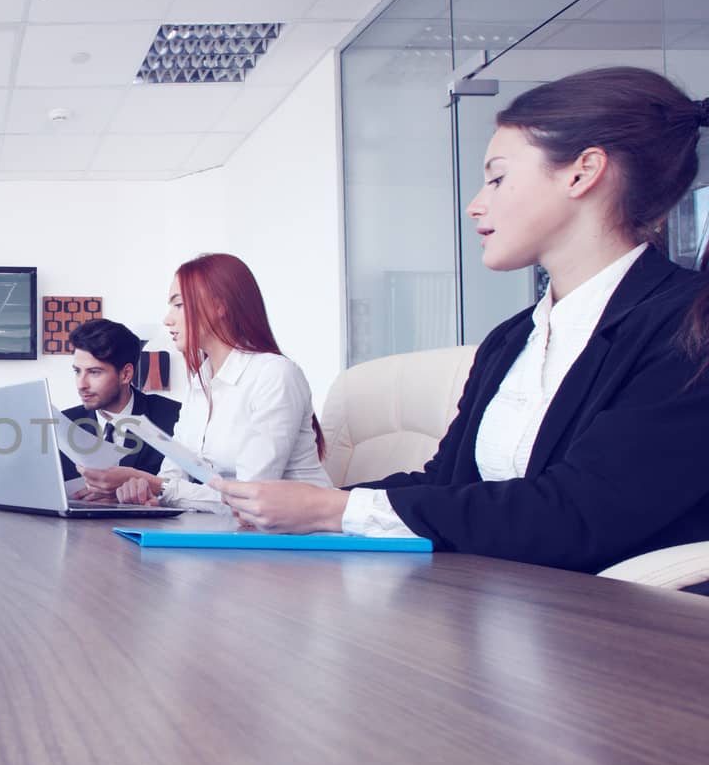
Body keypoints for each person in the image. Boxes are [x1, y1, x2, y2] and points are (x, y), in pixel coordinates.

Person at [214, 66, 709, 574]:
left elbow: (579, 515)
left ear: (582, 172)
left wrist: (333, 510)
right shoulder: (512, 339)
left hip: (616, 631)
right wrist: (303, 505)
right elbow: (450, 484)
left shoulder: (690, 323)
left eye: (497, 177)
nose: (476, 205)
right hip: (495, 604)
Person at [116, 253, 329, 512]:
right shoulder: (201, 381)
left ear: (219, 307)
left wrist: (161, 488)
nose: (167, 319)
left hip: (304, 534)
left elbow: (251, 495)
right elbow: (173, 474)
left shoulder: (274, 375)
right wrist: (149, 490)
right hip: (233, 530)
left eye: (179, 305)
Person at [58, 318, 180, 493]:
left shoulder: (173, 417)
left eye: (94, 372)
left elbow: (190, 489)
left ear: (126, 374)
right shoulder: (63, 423)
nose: (81, 384)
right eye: (77, 371)